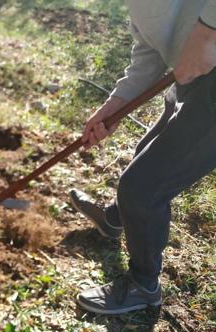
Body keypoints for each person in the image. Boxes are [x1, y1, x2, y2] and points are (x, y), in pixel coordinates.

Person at [70, 0, 216, 315]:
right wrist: (116, 104)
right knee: (145, 157)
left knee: (143, 188)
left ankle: (144, 285)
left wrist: (207, 33)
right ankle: (115, 220)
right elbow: (150, 50)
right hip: (191, 78)